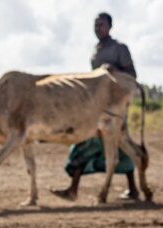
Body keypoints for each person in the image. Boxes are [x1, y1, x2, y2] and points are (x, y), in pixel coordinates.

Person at [51, 12, 139, 202]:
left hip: (115, 106)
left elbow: (132, 74)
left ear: (109, 26)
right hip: (94, 107)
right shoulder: (96, 51)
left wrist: (114, 70)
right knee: (83, 141)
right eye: (95, 25)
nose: (98, 28)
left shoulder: (119, 49)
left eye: (101, 24)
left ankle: (134, 188)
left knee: (121, 143)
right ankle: (73, 188)